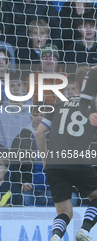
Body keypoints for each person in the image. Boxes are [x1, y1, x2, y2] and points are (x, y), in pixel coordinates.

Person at [36, 66, 97, 241]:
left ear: (76, 86)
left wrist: (46, 161)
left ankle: (56, 235)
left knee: (64, 211)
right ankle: (84, 231)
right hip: (77, 160)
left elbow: (39, 133)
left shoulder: (57, 105)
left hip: (54, 164)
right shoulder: (92, 107)